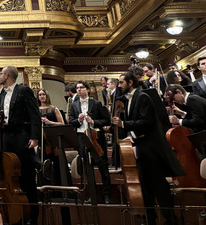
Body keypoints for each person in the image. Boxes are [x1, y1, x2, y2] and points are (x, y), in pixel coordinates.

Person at [112, 71, 182, 225]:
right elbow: (136, 124)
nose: (119, 86)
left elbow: (146, 122)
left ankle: (170, 220)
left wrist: (123, 124)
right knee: (145, 187)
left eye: (121, 82)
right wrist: (129, 133)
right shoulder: (127, 100)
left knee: (159, 186)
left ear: (130, 83)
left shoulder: (143, 97)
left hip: (152, 149)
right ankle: (150, 219)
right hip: (141, 148)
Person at [0, 66, 41, 225]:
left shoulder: (24, 90)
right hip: (6, 136)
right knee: (10, 175)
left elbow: (35, 115)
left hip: (22, 135)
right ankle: (15, 215)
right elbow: (6, 115)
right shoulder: (1, 93)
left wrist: (35, 138)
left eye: (1, 74)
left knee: (26, 176)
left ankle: (32, 217)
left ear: (7, 75)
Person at [68, 80, 112, 203]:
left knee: (103, 168)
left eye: (82, 87)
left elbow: (106, 120)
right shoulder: (74, 105)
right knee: (88, 168)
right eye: (77, 88)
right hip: (82, 138)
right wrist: (79, 119)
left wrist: (93, 122)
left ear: (88, 90)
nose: (79, 90)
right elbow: (71, 122)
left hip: (96, 138)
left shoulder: (96, 103)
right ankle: (92, 195)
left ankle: (107, 195)